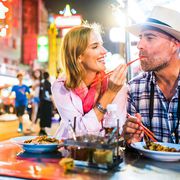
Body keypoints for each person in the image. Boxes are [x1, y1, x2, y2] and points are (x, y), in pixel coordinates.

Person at [52, 23, 127, 139]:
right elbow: (78, 132)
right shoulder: (61, 86)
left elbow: (114, 132)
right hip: (70, 151)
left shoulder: (117, 84)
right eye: (95, 46)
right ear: (78, 56)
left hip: (104, 154)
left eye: (102, 45)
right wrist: (110, 93)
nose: (104, 51)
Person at [123, 6, 180, 144]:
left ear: (175, 45)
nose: (139, 45)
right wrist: (131, 141)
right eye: (140, 37)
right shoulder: (134, 88)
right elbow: (133, 147)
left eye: (150, 38)